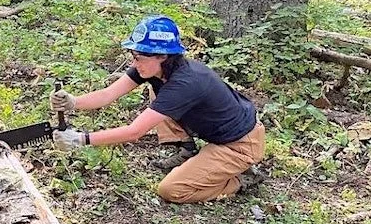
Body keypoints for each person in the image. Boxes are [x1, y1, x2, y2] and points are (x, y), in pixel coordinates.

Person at [49, 16, 266, 204]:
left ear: (162, 55)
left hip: (239, 145)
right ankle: (187, 150)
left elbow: (134, 132)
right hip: (219, 133)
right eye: (134, 56)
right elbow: (108, 94)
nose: (135, 63)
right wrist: (73, 102)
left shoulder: (184, 84)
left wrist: (80, 140)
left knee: (171, 190)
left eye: (139, 58)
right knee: (158, 96)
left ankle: (240, 180)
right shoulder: (154, 70)